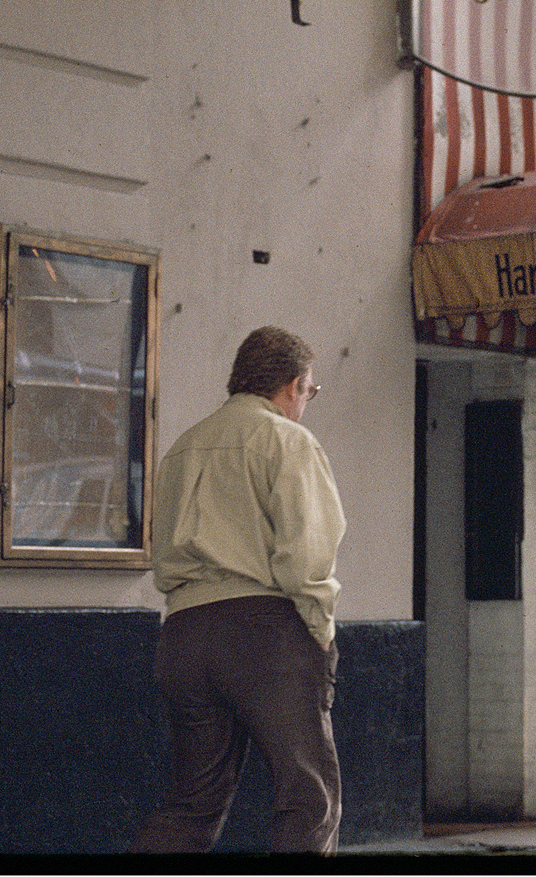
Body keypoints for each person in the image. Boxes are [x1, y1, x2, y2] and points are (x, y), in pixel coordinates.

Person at [132, 326, 346, 854]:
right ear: (293, 386)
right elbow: (306, 553)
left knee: (194, 801)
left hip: (183, 635)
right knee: (308, 795)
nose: (306, 402)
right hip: (264, 635)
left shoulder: (183, 448)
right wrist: (320, 631)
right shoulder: (288, 441)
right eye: (310, 391)